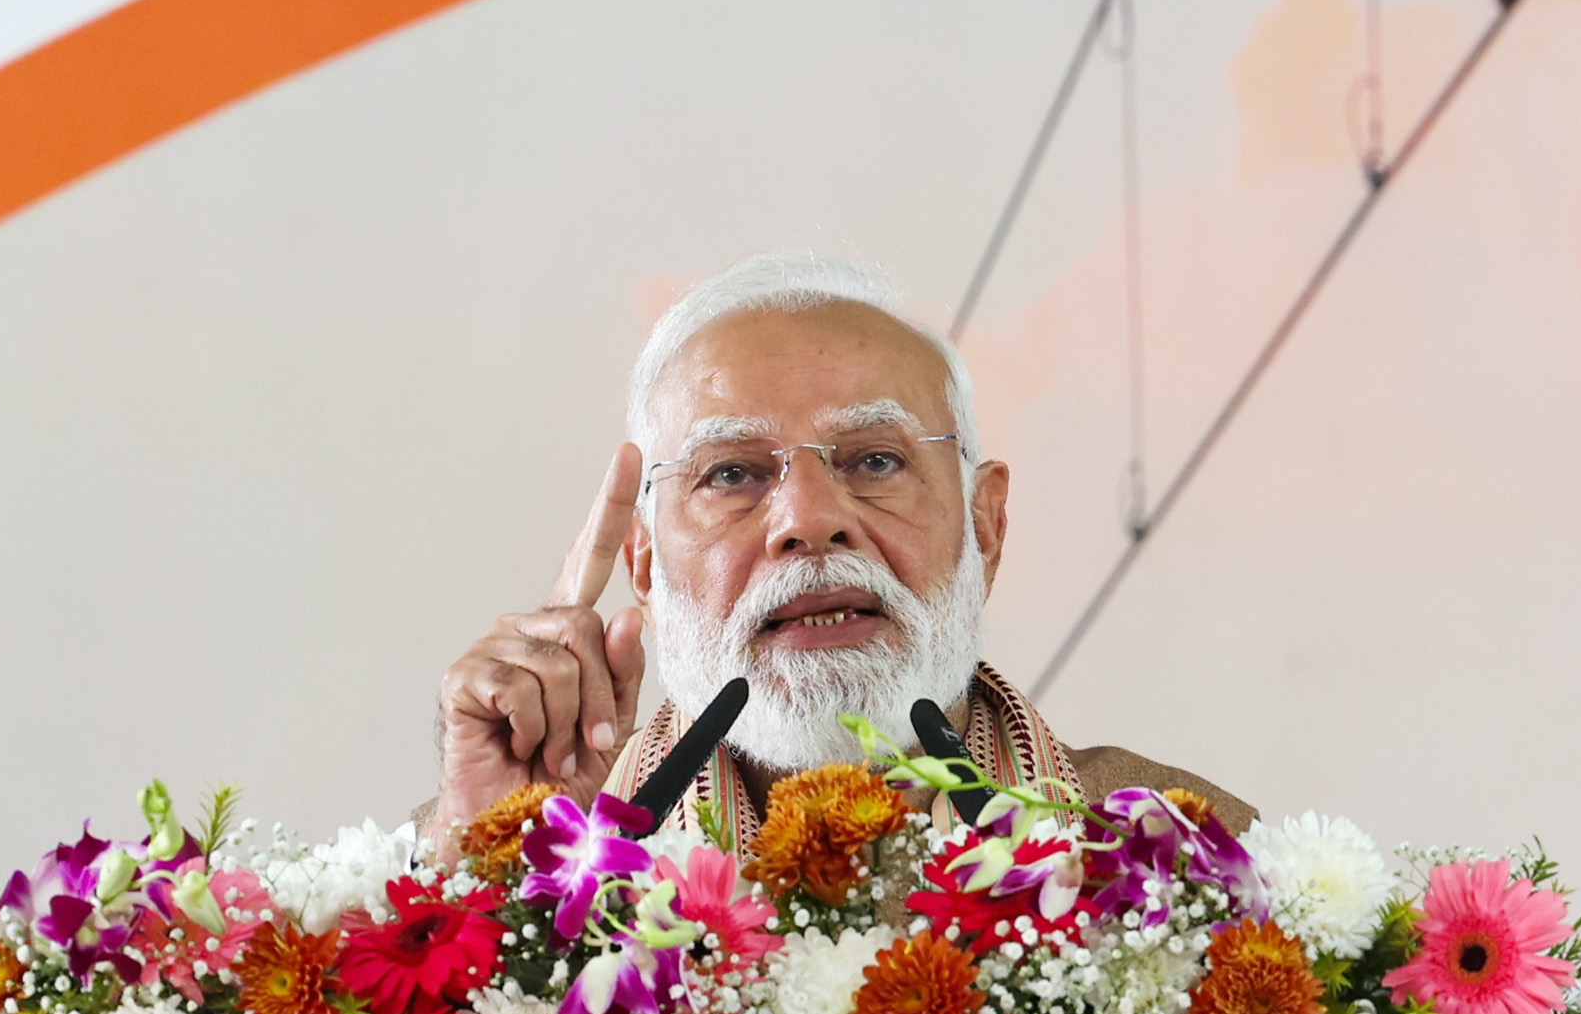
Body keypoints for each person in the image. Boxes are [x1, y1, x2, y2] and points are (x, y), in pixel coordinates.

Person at [419, 253, 1250, 857]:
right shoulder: (485, 847)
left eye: (875, 461)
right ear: (643, 566)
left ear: (986, 525)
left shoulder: (1186, 855)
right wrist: (488, 861)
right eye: (733, 473)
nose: (809, 522)